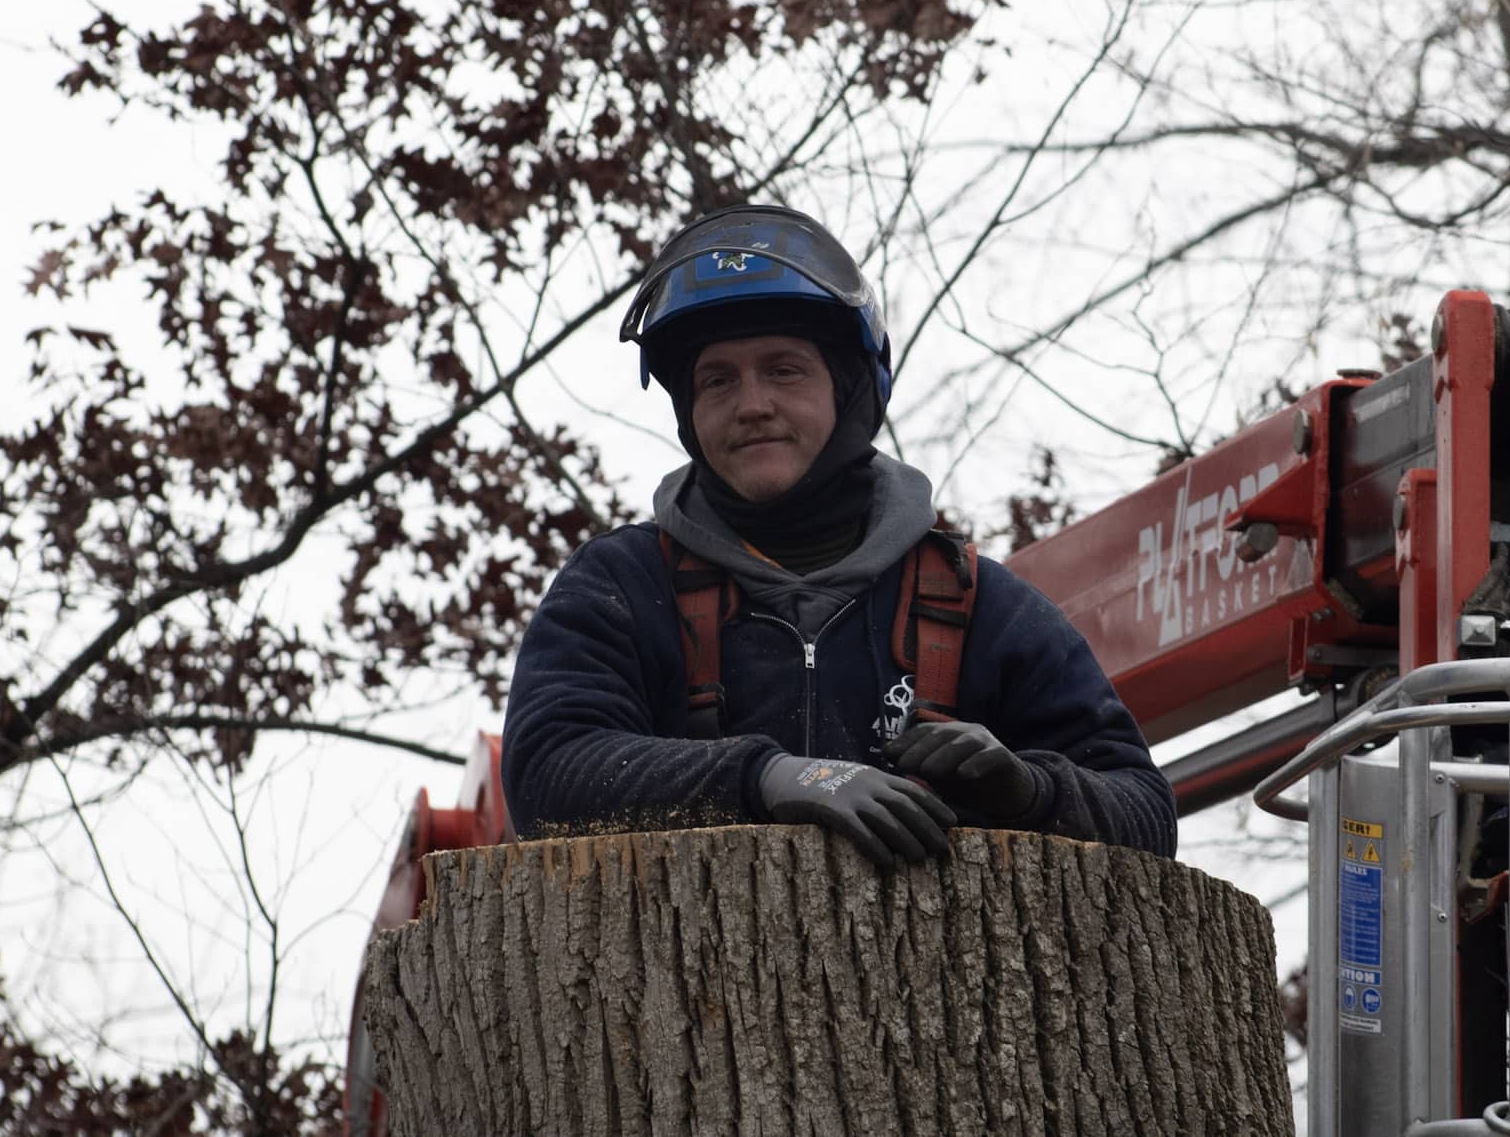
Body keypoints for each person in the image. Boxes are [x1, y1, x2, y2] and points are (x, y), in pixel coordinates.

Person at [500, 204, 1177, 865]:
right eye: (717, 380)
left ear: (850, 388)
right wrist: (770, 778)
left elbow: (1144, 810)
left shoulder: (975, 603)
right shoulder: (621, 585)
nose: (752, 403)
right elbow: (548, 776)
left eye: (783, 368)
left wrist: (1029, 791)